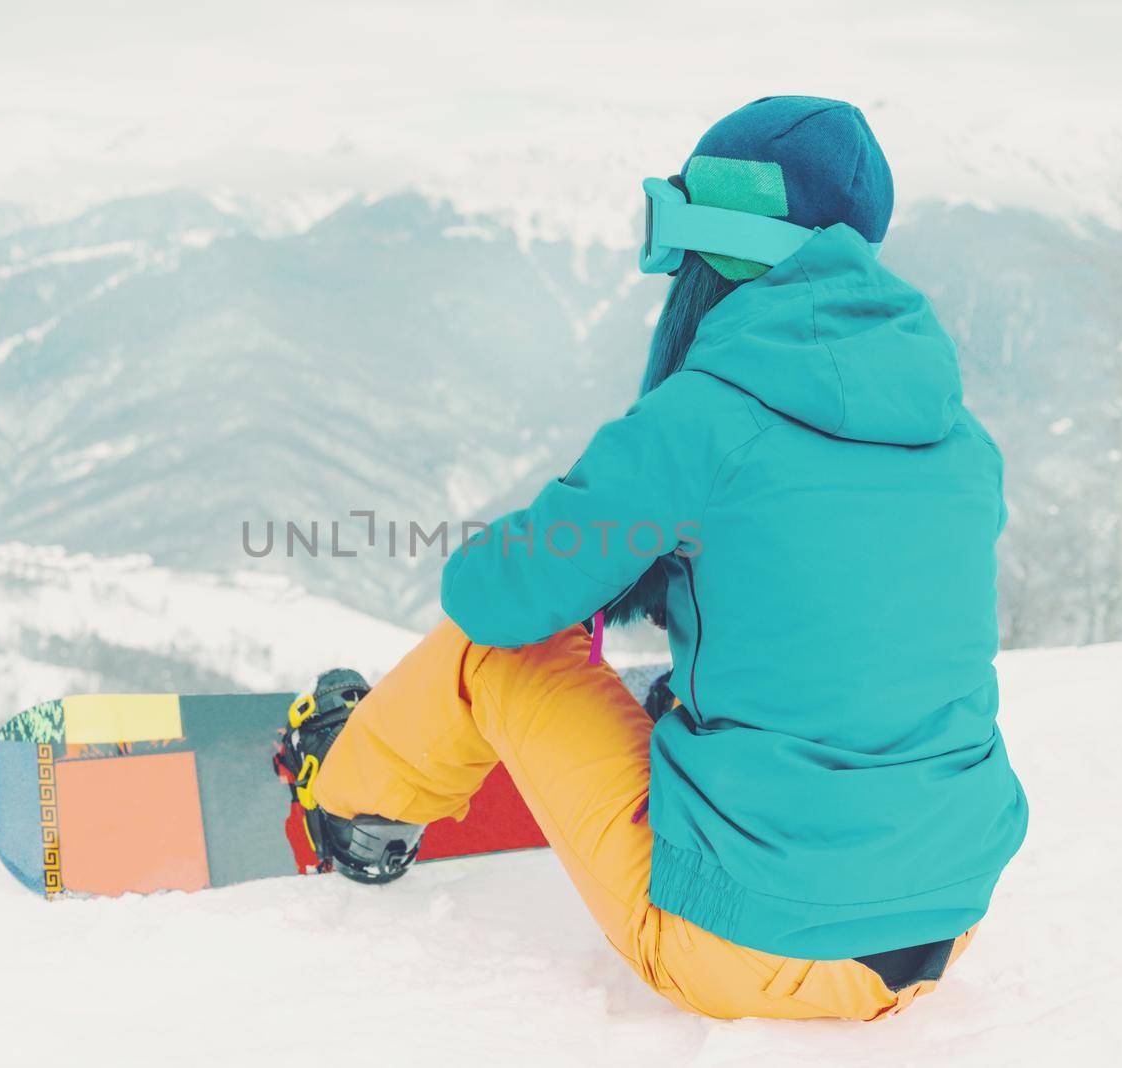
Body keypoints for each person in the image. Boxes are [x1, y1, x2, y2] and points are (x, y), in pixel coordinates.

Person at [275, 95, 1028, 1021]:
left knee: (492, 657)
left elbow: (493, 598)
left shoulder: (705, 418)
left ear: (713, 252)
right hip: (940, 930)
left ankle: (350, 801)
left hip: (746, 947)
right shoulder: (960, 437)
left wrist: (574, 544)